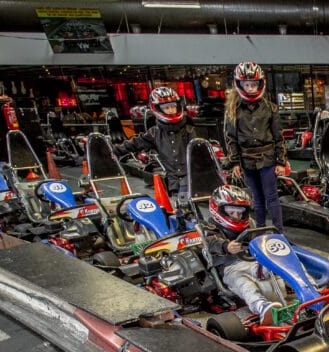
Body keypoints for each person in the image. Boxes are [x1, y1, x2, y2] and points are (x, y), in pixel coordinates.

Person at [203, 184, 283, 325]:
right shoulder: (210, 229)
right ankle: (261, 306)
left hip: (251, 262)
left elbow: (258, 240)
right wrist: (226, 246)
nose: (237, 216)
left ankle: (310, 290)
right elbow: (211, 244)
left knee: (283, 263)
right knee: (244, 284)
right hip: (230, 268)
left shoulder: (249, 224)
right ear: (218, 210)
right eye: (231, 212)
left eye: (240, 212)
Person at [224, 61, 288, 230]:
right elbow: (231, 139)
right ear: (240, 85)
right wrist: (235, 163)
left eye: (253, 84)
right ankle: (260, 231)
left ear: (260, 84)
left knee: (272, 197)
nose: (251, 88)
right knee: (257, 199)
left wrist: (281, 162)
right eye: (247, 85)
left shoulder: (270, 108)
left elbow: (278, 136)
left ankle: (278, 232)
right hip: (246, 161)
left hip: (267, 159)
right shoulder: (233, 110)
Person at [116, 86, 196, 197]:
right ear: (157, 109)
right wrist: (110, 150)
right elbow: (134, 144)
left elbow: (199, 153)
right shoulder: (154, 133)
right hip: (174, 184)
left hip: (192, 180)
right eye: (167, 108)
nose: (171, 110)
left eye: (173, 106)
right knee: (182, 210)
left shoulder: (188, 130)